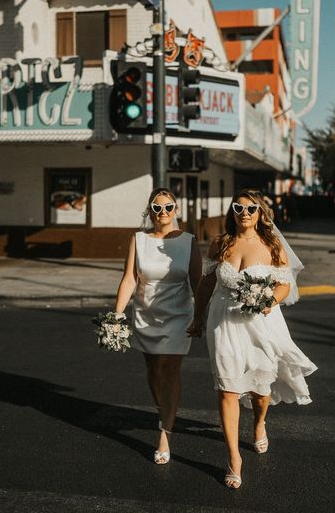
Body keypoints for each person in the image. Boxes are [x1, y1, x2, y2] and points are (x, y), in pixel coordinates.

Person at [188, 188, 317, 489]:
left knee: (261, 390)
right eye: (238, 208)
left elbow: (285, 286)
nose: (243, 214)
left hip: (262, 321)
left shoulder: (271, 246)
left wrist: (270, 301)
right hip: (223, 321)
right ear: (231, 211)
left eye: (250, 209)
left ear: (260, 213)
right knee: (227, 388)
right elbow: (207, 284)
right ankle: (234, 457)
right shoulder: (220, 244)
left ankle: (259, 422)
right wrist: (197, 318)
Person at [114, 187, 202, 465]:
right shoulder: (138, 239)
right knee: (153, 369)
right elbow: (129, 279)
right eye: (157, 207)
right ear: (150, 210)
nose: (162, 212)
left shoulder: (189, 241)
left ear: (176, 209)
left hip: (178, 315)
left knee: (169, 368)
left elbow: (197, 283)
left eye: (168, 207)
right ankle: (162, 410)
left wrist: (199, 317)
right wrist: (116, 316)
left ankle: (165, 432)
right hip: (146, 314)